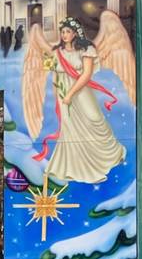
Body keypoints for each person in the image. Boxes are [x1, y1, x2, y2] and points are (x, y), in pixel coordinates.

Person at [35, 18, 125, 183]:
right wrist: (58, 96)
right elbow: (54, 74)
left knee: (94, 119)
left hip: (81, 90)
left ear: (75, 33)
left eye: (68, 31)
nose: (64, 35)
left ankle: (111, 155)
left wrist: (70, 94)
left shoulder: (86, 49)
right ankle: (84, 170)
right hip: (64, 93)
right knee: (71, 129)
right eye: (62, 32)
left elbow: (86, 74)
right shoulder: (56, 52)